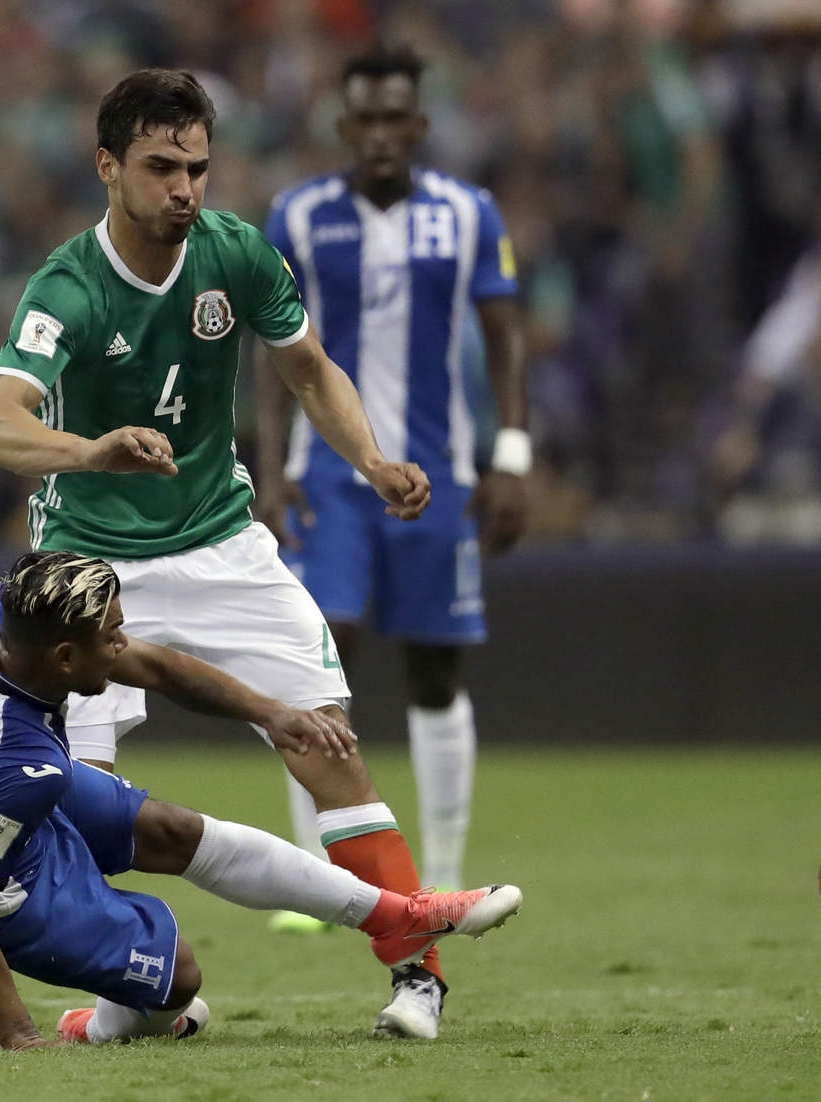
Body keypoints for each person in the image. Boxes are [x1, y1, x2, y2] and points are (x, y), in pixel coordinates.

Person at [0, 68, 458, 1040]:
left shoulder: (235, 254)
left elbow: (309, 370)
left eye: (196, 167)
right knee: (76, 804)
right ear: (108, 167)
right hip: (90, 569)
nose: (184, 188)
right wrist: (91, 452)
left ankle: (419, 980)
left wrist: (370, 460)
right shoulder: (68, 286)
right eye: (160, 167)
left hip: (224, 546)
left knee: (326, 746)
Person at [0, 551, 523, 1049]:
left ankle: (399, 917)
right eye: (110, 637)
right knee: (178, 980)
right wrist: (21, 1041)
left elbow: (157, 667)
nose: (122, 647)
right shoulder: (23, 763)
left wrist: (273, 714)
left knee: (172, 830)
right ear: (62, 658)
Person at [255, 44, 529, 928]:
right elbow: (271, 350)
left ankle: (439, 872)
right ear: (344, 126)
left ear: (419, 124)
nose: (380, 133)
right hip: (326, 478)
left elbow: (505, 333)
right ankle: (314, 879)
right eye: (365, 118)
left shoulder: (467, 213)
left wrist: (512, 455)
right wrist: (269, 467)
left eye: (395, 118)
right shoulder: (297, 216)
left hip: (439, 474)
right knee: (313, 667)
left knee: (435, 669)